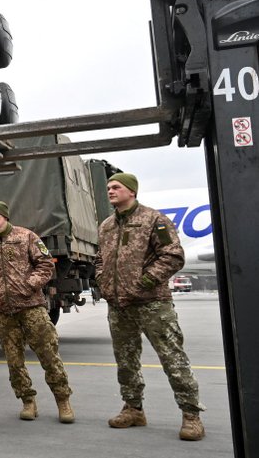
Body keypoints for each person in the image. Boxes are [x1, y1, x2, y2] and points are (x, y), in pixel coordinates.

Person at [96, 172, 205, 441]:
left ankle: (191, 416)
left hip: (152, 303)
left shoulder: (153, 219)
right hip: (119, 306)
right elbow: (100, 259)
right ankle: (133, 409)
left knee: (173, 359)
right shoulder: (107, 225)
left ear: (131, 191)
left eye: (116, 187)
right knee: (126, 361)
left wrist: (144, 281)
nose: (110, 191)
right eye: (109, 187)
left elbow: (173, 255)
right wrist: (102, 281)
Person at [0, 201, 74, 423]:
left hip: (32, 308)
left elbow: (46, 264)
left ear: (5, 217)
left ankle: (63, 401)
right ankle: (28, 401)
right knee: (14, 361)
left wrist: (30, 284)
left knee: (48, 355)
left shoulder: (26, 236)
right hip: (4, 312)